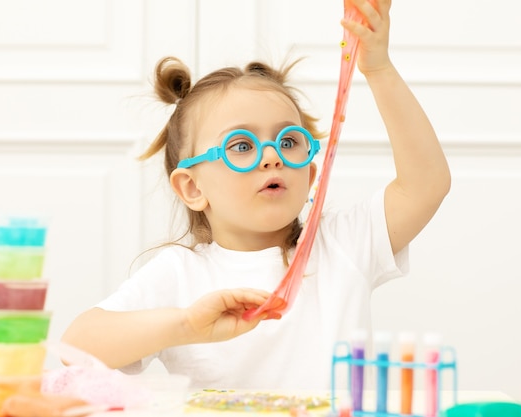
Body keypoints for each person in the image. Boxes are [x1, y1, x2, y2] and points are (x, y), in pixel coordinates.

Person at [62, 0, 450, 390]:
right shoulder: (180, 273)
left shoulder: (343, 244)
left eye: (289, 140)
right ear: (193, 188)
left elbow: (426, 185)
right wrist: (185, 325)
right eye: (242, 145)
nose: (271, 157)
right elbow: (76, 347)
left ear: (310, 173)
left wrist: (378, 70)